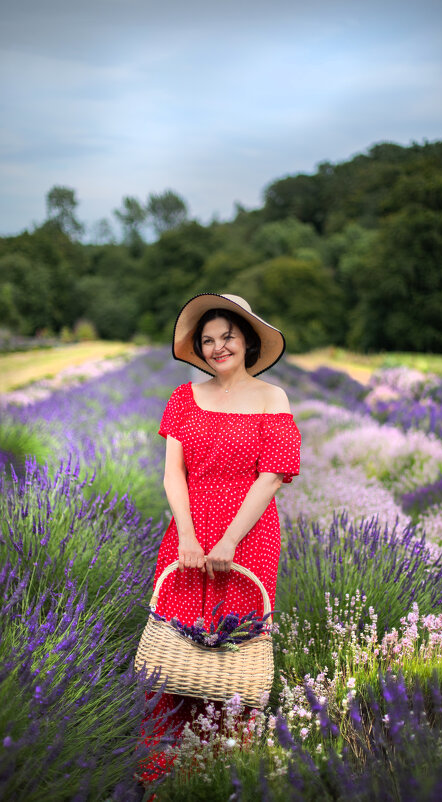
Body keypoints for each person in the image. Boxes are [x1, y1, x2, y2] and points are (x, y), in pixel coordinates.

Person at [138, 293, 301, 783]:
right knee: (177, 649)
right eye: (207, 340)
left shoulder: (274, 397)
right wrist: (187, 535)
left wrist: (229, 540)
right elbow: (172, 476)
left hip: (248, 535)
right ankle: (162, 772)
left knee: (235, 651)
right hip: (188, 532)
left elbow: (272, 476)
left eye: (226, 336)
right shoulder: (183, 398)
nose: (217, 347)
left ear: (247, 339)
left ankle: (226, 772)